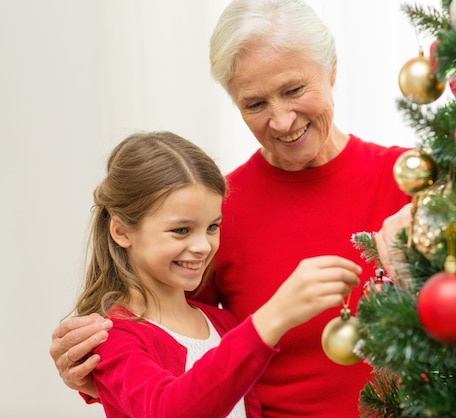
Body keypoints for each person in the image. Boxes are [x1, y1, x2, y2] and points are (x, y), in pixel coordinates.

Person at [50, 1, 412, 416]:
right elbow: (177, 342)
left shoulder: (415, 182)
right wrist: (91, 369)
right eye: (255, 104)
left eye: (294, 90)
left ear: (331, 70)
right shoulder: (216, 213)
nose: (280, 120)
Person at [70, 131, 362, 418]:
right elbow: (168, 409)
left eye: (212, 227)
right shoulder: (111, 337)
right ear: (121, 231)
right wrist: (274, 316)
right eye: (181, 230)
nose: (202, 246)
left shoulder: (223, 323)